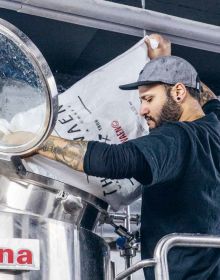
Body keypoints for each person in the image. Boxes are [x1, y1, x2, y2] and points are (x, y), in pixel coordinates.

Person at [35, 35, 220, 279]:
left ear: (178, 92)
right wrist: (165, 62)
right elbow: (208, 97)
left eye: (149, 99)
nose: (143, 109)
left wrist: (37, 139)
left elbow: (111, 160)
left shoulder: (176, 138)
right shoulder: (214, 124)